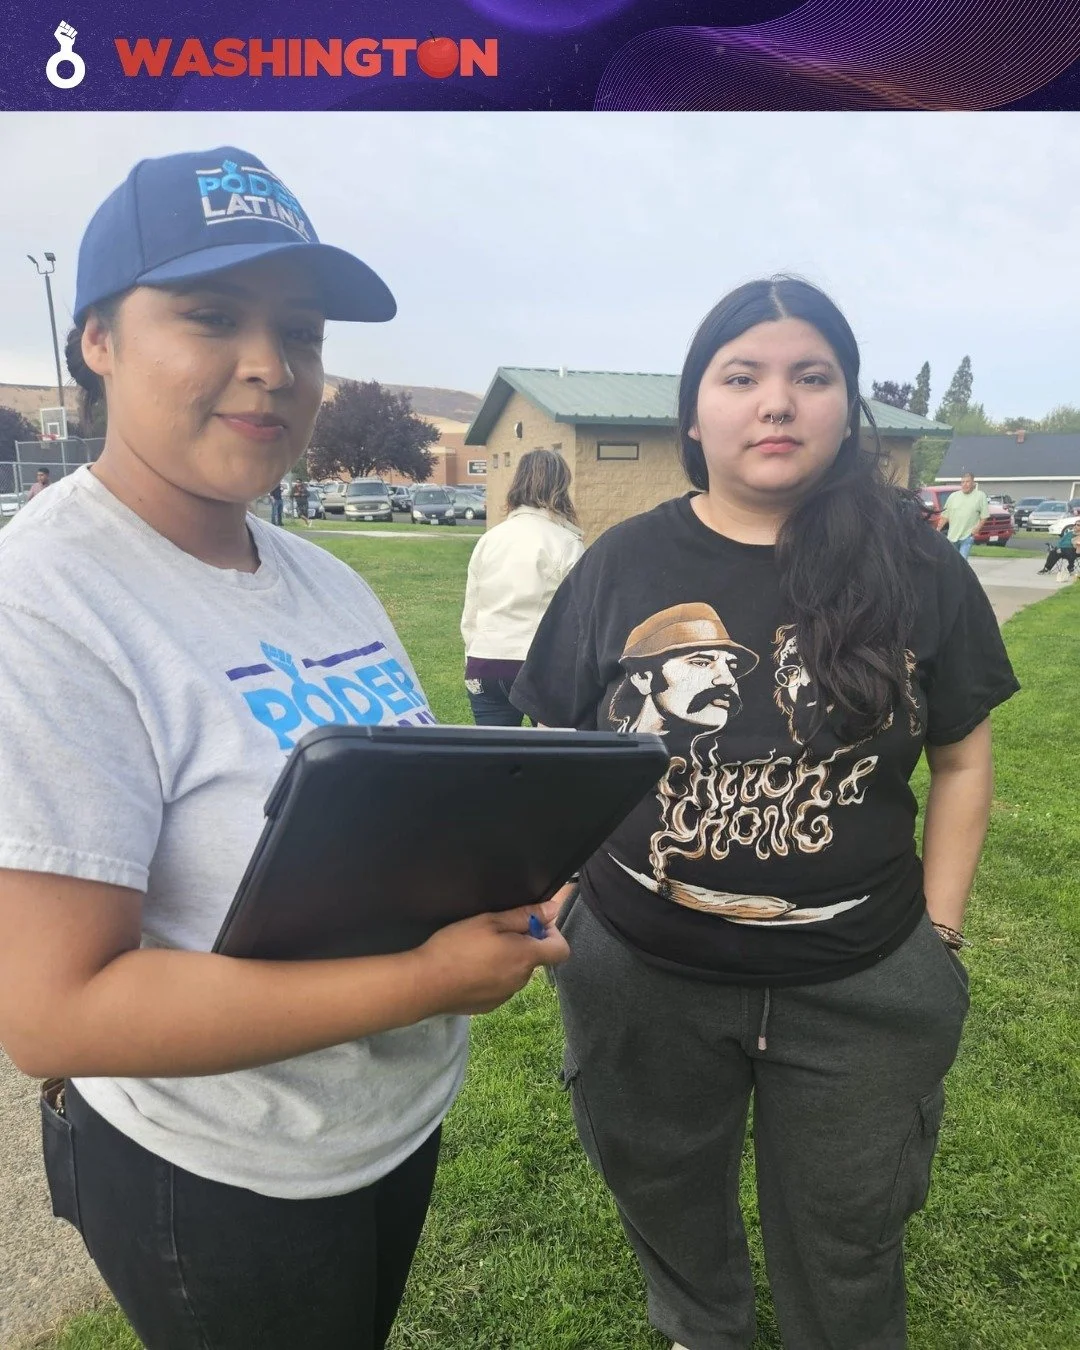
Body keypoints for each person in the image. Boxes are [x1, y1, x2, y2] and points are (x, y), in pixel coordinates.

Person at [0, 146, 568, 1350]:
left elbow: (400, 817)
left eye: (301, 331)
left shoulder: (324, 578)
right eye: (212, 315)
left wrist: (510, 870)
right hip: (219, 1177)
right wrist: (430, 982)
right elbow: (55, 1013)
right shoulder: (45, 603)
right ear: (97, 340)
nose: (273, 365)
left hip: (378, 1130)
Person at [512, 277, 1019, 1350]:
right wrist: (552, 896)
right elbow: (554, 746)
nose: (777, 401)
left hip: (864, 980)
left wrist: (940, 932)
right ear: (695, 414)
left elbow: (963, 759)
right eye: (741, 376)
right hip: (640, 973)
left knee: (851, 1240)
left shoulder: (917, 563)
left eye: (811, 376)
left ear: (847, 408)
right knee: (668, 1205)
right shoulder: (622, 563)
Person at [460, 448, 583, 726]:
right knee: (551, 752)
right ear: (560, 487)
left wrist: (475, 653)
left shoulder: (489, 540)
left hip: (484, 662)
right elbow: (578, 618)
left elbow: (471, 613)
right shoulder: (567, 543)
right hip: (539, 665)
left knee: (496, 752)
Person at [939, 472, 989, 559]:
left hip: (967, 536)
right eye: (963, 482)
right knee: (952, 561)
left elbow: (984, 516)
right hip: (952, 536)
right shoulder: (953, 496)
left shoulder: (980, 496)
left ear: (973, 483)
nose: (965, 484)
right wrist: (937, 530)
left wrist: (976, 529)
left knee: (962, 561)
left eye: (968, 482)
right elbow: (945, 516)